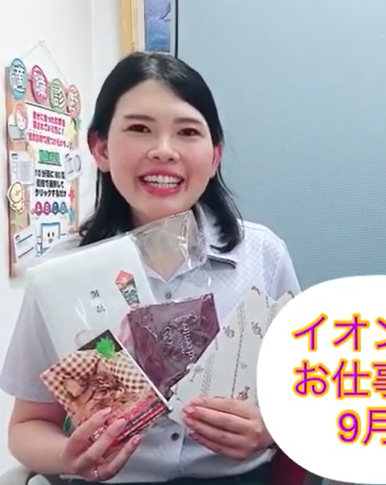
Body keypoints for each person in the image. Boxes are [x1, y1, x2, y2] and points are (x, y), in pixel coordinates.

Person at [0, 52, 301, 484]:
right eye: (139, 128)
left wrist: (270, 430)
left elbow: (304, 394)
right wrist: (68, 456)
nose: (163, 149)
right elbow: (27, 426)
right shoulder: (60, 274)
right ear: (100, 148)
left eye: (188, 131)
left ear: (215, 156)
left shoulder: (263, 255)